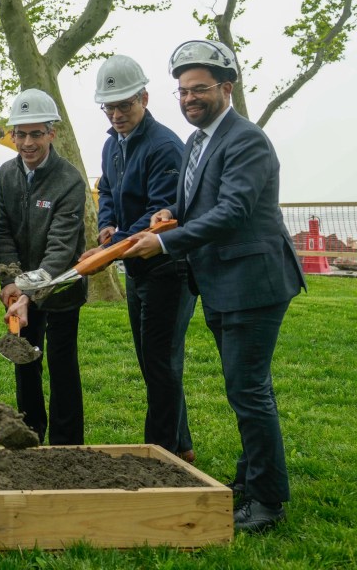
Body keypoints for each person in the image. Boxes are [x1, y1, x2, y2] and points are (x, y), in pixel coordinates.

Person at [125, 40, 305, 534]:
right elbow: (199, 205)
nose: (188, 98)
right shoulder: (197, 142)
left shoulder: (245, 139)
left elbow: (233, 212)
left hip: (254, 281)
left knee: (249, 390)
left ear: (227, 88)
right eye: (182, 91)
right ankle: (250, 482)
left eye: (199, 89)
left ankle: (267, 503)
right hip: (221, 282)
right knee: (243, 388)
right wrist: (169, 216)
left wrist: (164, 246)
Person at [84, 55, 195, 461]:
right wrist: (108, 227)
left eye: (124, 106)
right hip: (136, 266)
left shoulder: (165, 146)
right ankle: (181, 447)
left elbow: (161, 212)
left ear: (144, 98)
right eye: (109, 107)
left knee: (161, 362)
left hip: (169, 268)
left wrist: (113, 246)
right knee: (153, 361)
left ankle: (159, 451)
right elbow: (108, 191)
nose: (116, 115)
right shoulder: (112, 145)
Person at [0, 89, 87, 446]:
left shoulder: (70, 181)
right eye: (21, 134)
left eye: (36, 133)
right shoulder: (6, 174)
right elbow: (1, 231)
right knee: (25, 365)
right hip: (18, 288)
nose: (28, 142)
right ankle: (28, 437)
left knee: (62, 369)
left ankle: (67, 447)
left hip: (61, 288)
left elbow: (60, 250)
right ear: (12, 134)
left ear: (52, 133)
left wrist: (27, 294)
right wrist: (7, 282)